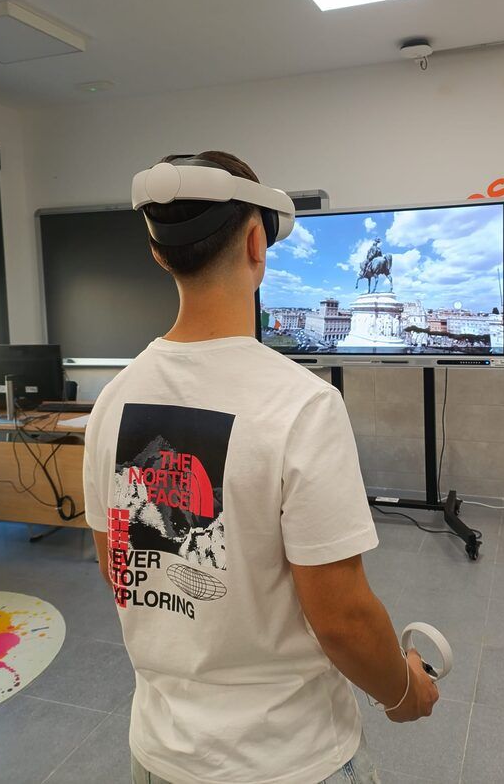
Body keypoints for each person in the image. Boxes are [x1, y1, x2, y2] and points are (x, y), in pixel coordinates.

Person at [83, 150, 439, 784]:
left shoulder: (113, 399)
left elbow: (121, 568)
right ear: (257, 242)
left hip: (159, 753)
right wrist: (403, 690)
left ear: (159, 253)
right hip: (288, 759)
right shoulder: (304, 405)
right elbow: (342, 618)